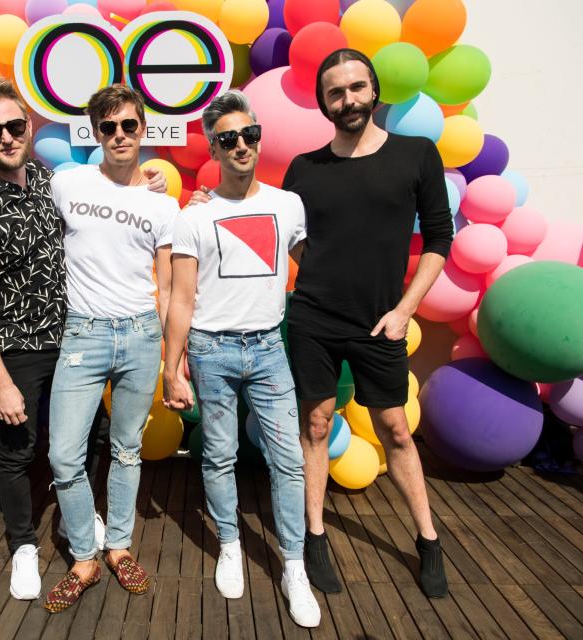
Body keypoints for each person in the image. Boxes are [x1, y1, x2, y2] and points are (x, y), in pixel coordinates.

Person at [0, 79, 167, 601]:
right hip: (17, 348)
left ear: (28, 125)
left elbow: (111, 202)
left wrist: (147, 186)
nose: (6, 136)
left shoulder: (53, 180)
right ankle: (24, 545)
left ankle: (90, 532)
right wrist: (0, 383)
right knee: (20, 449)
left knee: (94, 441)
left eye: (15, 125)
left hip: (72, 336)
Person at [282, 49, 453, 599]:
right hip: (313, 317)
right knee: (315, 424)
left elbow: (439, 239)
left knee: (397, 429)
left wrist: (404, 310)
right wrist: (325, 275)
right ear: (323, 103)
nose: (348, 99)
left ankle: (428, 539)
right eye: (336, 92)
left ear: (374, 91)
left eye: (357, 88)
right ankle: (314, 536)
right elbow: (292, 238)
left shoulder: (416, 155)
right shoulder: (304, 168)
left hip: (384, 321)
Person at [162, 90, 321, 628]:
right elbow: (181, 298)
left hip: (269, 346)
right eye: (227, 138)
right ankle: (230, 543)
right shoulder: (194, 217)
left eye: (248, 135)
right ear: (213, 147)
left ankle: (293, 565)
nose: (240, 145)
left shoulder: (287, 204)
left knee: (289, 461)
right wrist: (172, 364)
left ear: (259, 137)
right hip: (211, 349)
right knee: (219, 455)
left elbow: (317, 267)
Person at [43, 85, 179, 613]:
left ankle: (118, 547)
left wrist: (173, 357)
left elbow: (167, 288)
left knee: (126, 450)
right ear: (95, 133)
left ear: (143, 128)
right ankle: (84, 556)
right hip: (84, 333)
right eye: (108, 127)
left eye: (128, 125)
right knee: (63, 455)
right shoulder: (67, 183)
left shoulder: (161, 202)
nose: (119, 135)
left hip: (142, 334)